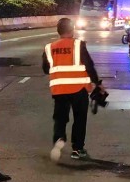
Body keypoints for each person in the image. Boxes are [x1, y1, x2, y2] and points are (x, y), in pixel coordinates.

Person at [42, 18, 102, 161]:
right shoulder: (78, 45)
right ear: (72, 29)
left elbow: (46, 69)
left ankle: (59, 139)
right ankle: (77, 149)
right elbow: (89, 65)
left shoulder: (49, 47)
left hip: (59, 90)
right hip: (79, 89)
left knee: (60, 118)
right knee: (80, 119)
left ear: (58, 31)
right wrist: (97, 83)